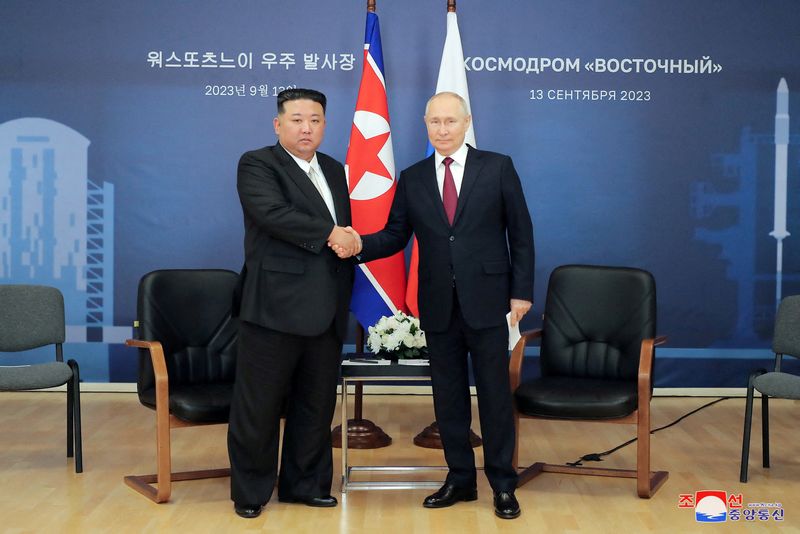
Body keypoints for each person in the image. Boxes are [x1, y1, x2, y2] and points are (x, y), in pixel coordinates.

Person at [332, 92, 534, 520]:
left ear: (466, 123)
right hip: (438, 305)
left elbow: (521, 233)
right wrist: (356, 245)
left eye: (450, 122)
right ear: (425, 125)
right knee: (448, 397)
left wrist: (521, 293)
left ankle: (502, 484)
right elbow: (394, 235)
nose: (442, 130)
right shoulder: (414, 176)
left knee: (496, 396)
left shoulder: (497, 167)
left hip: (489, 301)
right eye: (434, 122)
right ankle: (460, 479)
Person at [228, 88, 359, 519]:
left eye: (316, 120)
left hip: (326, 309)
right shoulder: (258, 163)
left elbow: (344, 232)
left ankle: (305, 484)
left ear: (325, 124)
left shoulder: (336, 170)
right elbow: (272, 214)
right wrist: (331, 234)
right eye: (298, 119)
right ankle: (250, 491)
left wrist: (348, 240)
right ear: (278, 124)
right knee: (260, 406)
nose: (307, 128)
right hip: (274, 308)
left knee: (315, 404)